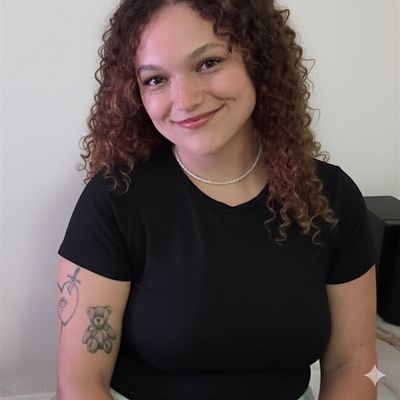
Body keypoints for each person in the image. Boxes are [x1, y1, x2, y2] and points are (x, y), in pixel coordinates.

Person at [56, 1, 378, 399]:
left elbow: (354, 364)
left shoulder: (331, 196)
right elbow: (80, 384)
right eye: (155, 79)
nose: (185, 99)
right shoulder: (114, 199)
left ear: (258, 61)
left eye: (208, 63)